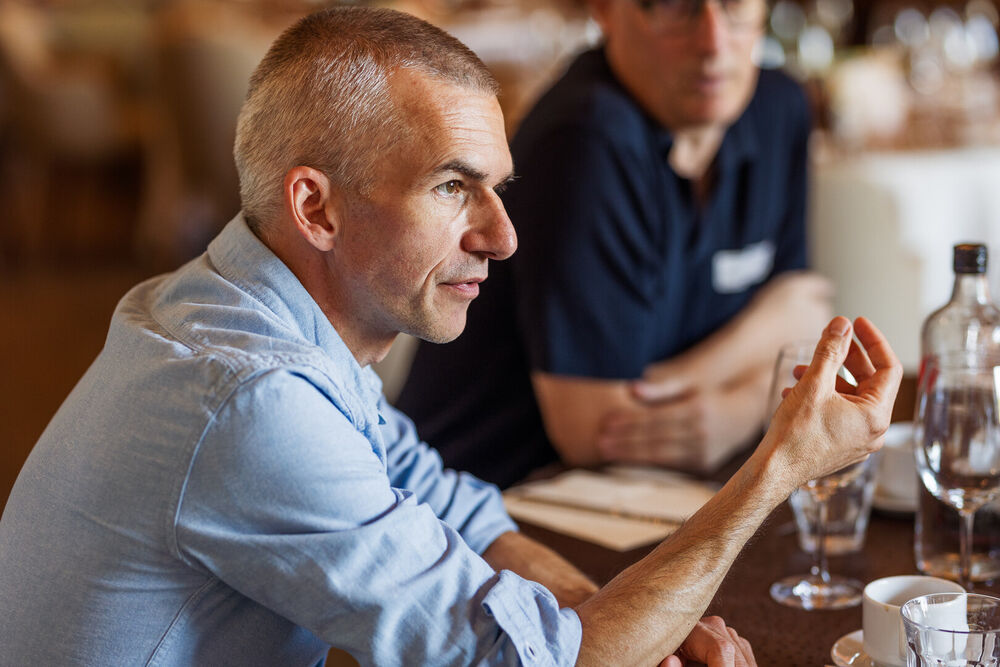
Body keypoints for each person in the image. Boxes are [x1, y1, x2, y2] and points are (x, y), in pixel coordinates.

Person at [0, 7, 900, 666]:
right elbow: (529, 663)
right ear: (314, 206)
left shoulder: (239, 306)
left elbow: (455, 507)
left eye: (499, 188)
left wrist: (615, 614)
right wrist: (779, 466)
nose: (502, 236)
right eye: (450, 188)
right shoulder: (253, 399)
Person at [396, 0, 834, 489]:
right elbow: (595, 433)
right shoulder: (585, 138)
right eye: (674, 7)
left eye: (735, 5)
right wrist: (764, 373)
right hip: (486, 498)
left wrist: (736, 405)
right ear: (604, 10)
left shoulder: (780, 107)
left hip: (653, 491)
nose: (714, 42)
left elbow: (808, 314)